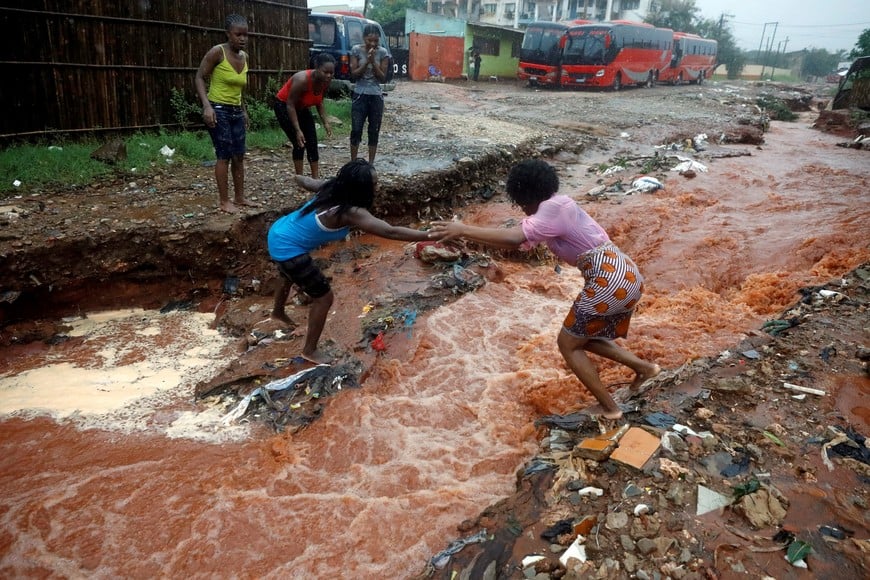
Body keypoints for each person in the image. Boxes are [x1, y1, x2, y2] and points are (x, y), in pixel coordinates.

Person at [429, 160, 660, 421]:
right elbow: (515, 243)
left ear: (526, 195)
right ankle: (646, 369)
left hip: (608, 278)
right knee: (582, 338)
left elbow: (514, 237)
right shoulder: (556, 209)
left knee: (567, 344)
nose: (523, 210)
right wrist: (467, 237)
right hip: (624, 274)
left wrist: (463, 228)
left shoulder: (552, 209)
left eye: (521, 203)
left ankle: (611, 409)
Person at [268, 159, 439, 364]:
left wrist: (294, 177)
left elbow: (307, 182)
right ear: (361, 189)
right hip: (288, 248)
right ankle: (309, 350)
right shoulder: (351, 213)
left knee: (286, 274)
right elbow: (390, 231)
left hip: (278, 231)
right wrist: (430, 235)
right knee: (324, 298)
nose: (378, 186)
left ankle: (277, 312)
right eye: (374, 184)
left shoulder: (333, 187)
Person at [195, 14, 255, 213]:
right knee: (224, 155)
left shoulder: (244, 57)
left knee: (239, 155)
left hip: (236, 110)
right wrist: (206, 106)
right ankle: (224, 201)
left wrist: (244, 110)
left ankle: (239, 197)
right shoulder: (217, 52)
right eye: (238, 34)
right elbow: (199, 77)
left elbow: (240, 89)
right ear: (228, 34)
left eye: (245, 35)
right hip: (218, 109)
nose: (242, 38)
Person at [274, 53, 335, 180]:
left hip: (301, 108)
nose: (329, 76)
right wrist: (297, 130)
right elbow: (290, 104)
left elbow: (319, 102)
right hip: (285, 106)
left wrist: (326, 123)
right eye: (325, 72)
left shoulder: (326, 82)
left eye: (331, 73)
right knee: (299, 142)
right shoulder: (302, 80)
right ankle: (300, 178)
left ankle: (315, 179)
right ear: (316, 67)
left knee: (312, 141)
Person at [349, 24, 389, 164]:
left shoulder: (383, 53)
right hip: (360, 94)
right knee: (356, 129)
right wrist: (366, 63)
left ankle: (371, 163)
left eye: (376, 41)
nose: (372, 44)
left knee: (374, 130)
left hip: (376, 95)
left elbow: (383, 77)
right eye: (369, 40)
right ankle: (353, 162)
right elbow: (354, 74)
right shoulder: (356, 50)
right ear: (364, 38)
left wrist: (374, 62)